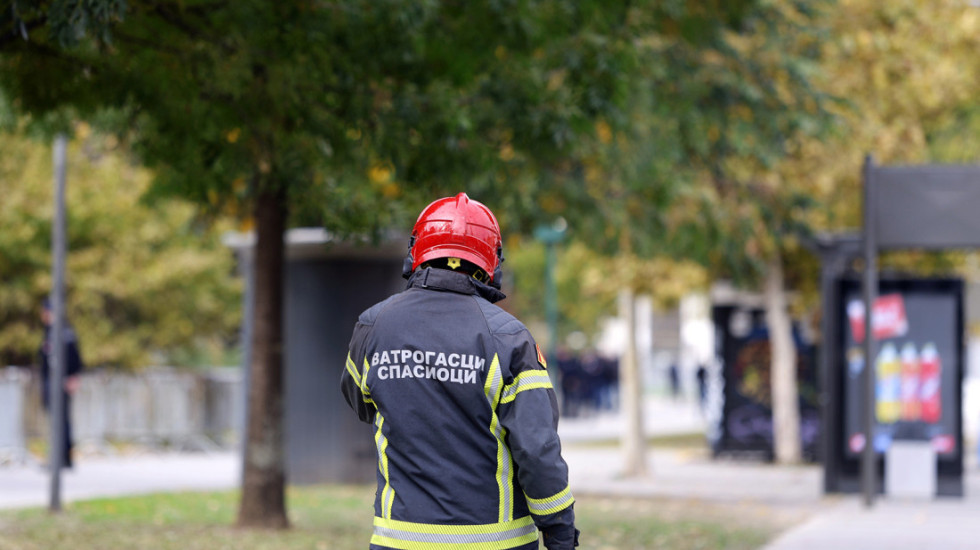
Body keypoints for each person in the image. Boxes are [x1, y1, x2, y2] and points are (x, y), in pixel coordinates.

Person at [341, 193, 579, 550]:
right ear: (491, 259)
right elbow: (536, 449)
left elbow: (360, 403)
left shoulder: (373, 326)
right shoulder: (509, 337)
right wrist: (560, 531)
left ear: (417, 248)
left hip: (399, 541)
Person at [38, 297, 85, 469]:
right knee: (57, 421)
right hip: (51, 381)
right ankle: (59, 457)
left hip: (60, 382)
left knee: (61, 422)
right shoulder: (50, 330)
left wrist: (74, 376)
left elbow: (75, 357)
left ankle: (63, 458)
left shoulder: (63, 331)